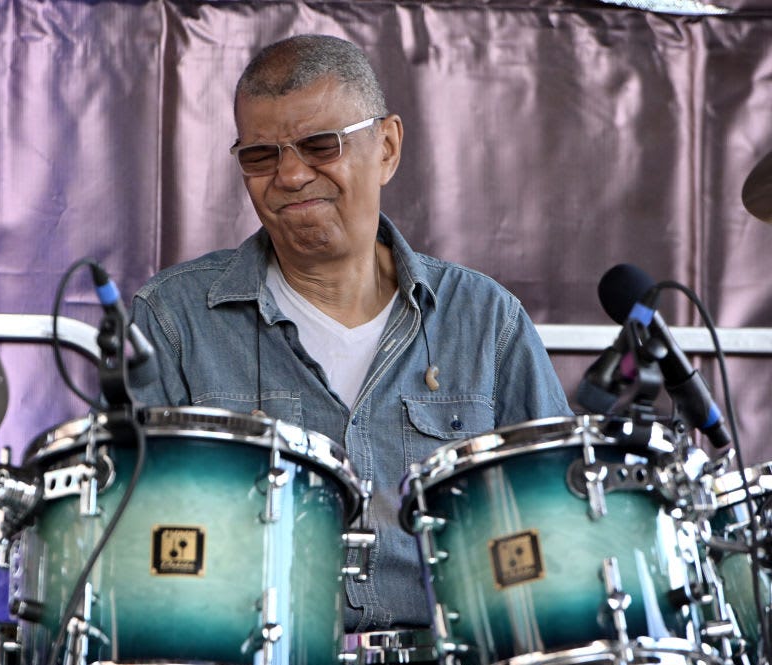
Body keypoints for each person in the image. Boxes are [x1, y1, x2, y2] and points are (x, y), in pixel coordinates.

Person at [128, 34, 571, 633]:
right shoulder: (172, 320)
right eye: (260, 156)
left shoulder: (486, 320)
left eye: (319, 146)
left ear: (386, 147)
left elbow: (558, 530)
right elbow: (138, 553)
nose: (289, 175)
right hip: (259, 659)